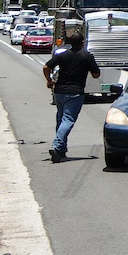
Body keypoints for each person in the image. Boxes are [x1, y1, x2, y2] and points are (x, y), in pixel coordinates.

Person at [43, 29, 100, 163]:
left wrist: (49, 80)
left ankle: (61, 150)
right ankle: (56, 146)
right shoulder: (87, 57)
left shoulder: (62, 55)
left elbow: (46, 67)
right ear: (82, 43)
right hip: (75, 92)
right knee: (68, 120)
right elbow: (96, 74)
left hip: (59, 91)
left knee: (60, 119)